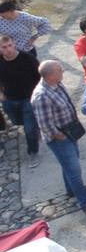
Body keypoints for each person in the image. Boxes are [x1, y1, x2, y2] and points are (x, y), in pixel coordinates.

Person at [32, 60, 86, 218]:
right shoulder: (41, 96)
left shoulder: (57, 84)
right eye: (59, 70)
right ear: (50, 75)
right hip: (60, 138)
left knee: (69, 164)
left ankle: (71, 190)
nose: (62, 70)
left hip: (68, 131)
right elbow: (45, 125)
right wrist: (60, 136)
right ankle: (85, 202)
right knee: (73, 170)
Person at [0, 34, 41, 166]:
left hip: (28, 98)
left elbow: (40, 76)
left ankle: (33, 152)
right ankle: (35, 128)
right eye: (4, 47)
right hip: (9, 99)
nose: (8, 49)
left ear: (14, 44)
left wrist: (36, 94)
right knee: (17, 121)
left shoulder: (27, 58)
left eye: (10, 45)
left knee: (29, 128)